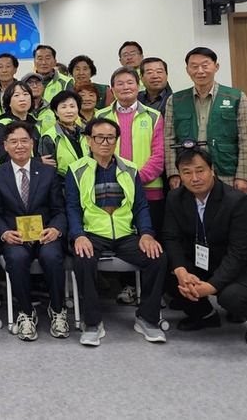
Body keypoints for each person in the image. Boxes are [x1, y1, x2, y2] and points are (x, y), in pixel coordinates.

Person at [66, 118, 167, 346]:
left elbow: (140, 205)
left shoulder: (130, 169)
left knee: (157, 257)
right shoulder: (77, 169)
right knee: (82, 257)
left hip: (125, 234)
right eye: (99, 137)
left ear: (116, 140)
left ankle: (147, 318)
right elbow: (71, 207)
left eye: (110, 137)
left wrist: (146, 234)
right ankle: (92, 323)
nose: (105, 142)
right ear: (89, 140)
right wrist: (78, 235)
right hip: (93, 234)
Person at [162, 146, 247, 344]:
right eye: (186, 173)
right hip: (204, 262)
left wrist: (212, 286)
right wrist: (181, 272)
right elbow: (170, 237)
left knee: (231, 296)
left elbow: (239, 253)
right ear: (179, 175)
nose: (194, 178)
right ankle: (206, 315)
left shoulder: (237, 202)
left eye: (200, 170)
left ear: (212, 170)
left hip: (244, 266)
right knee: (165, 269)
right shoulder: (175, 198)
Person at [0, 121, 69, 340]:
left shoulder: (47, 172)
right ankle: (25, 312)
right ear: (5, 146)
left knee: (53, 256)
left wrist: (55, 229)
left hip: (46, 235)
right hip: (15, 237)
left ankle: (58, 309)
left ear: (32, 143)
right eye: (13, 142)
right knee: (15, 258)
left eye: (24, 141)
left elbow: (59, 209)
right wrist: (5, 233)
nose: (19, 146)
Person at [96, 67, 165, 306]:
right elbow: (95, 152)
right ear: (112, 89)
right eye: (119, 84)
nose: (125, 87)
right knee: (121, 238)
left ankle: (151, 294)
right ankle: (127, 286)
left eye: (130, 82)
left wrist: (135, 180)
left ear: (139, 86)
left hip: (150, 189)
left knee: (149, 240)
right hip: (111, 191)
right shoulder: (102, 115)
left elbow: (159, 155)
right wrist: (120, 183)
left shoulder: (154, 116)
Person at [164, 47, 247, 193]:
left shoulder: (235, 97)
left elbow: (246, 139)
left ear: (216, 66)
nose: (200, 71)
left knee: (227, 213)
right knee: (192, 214)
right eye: (194, 66)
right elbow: (169, 139)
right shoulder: (176, 100)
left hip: (225, 170)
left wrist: (244, 176)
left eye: (205, 65)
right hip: (189, 173)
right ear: (187, 70)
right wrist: (173, 173)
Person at [38, 90, 89, 180]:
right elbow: (47, 171)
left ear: (78, 109)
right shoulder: (49, 137)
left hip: (86, 185)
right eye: (63, 107)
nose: (69, 111)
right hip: (62, 188)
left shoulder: (85, 133)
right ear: (56, 112)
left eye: (72, 106)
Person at [0, 81, 41, 164]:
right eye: (16, 95)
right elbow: (3, 158)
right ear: (9, 102)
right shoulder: (2, 126)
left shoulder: (35, 125)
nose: (22, 99)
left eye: (25, 94)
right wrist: (38, 161)